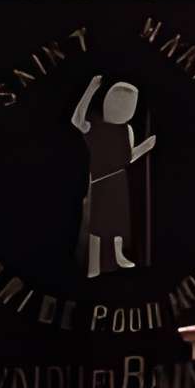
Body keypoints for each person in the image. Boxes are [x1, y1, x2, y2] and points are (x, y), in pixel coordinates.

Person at [70, 73, 153, 278]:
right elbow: (76, 120)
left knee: (118, 221)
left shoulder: (127, 130)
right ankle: (94, 267)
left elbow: (128, 157)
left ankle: (118, 256)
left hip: (119, 180)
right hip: (99, 182)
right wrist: (91, 88)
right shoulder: (95, 124)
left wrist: (146, 146)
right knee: (98, 226)